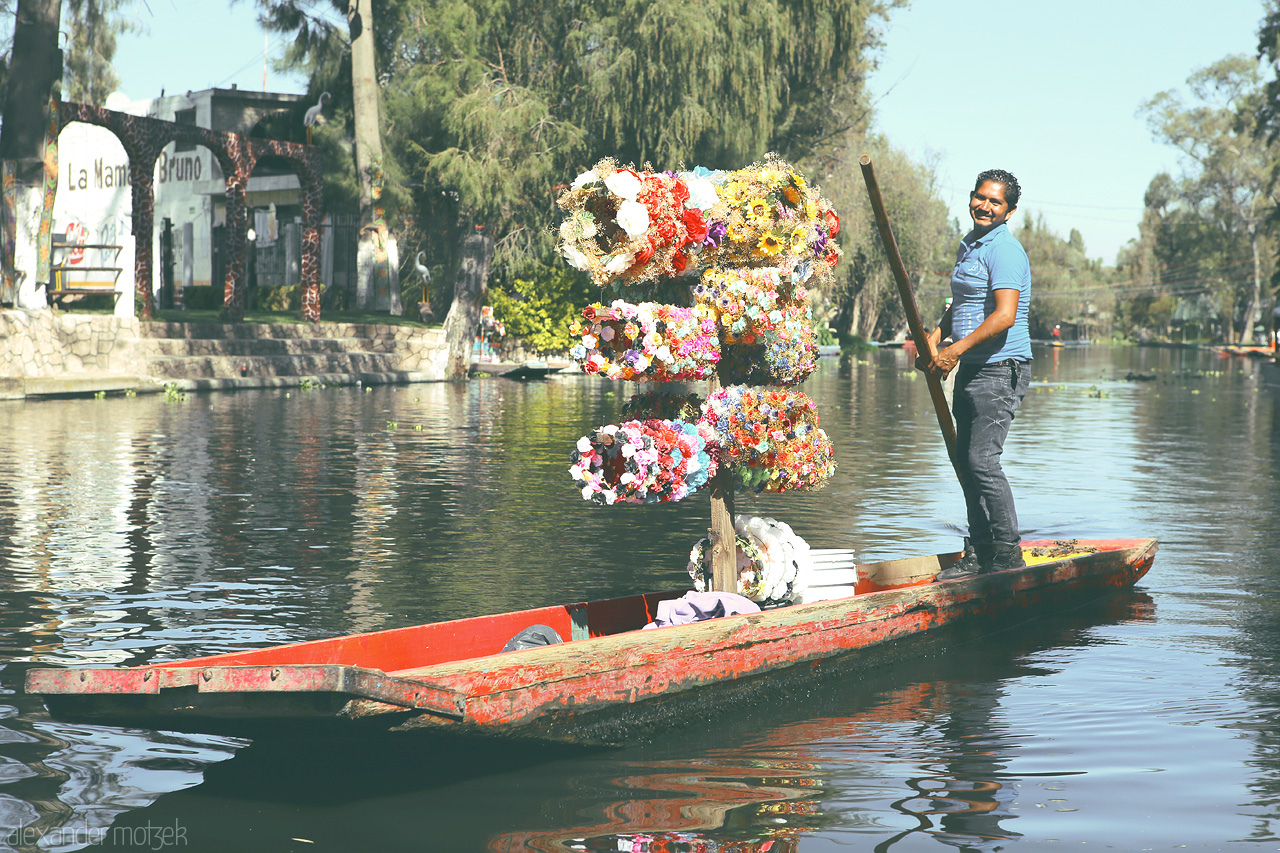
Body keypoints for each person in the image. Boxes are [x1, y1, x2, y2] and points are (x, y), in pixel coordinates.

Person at [919, 169, 1032, 581]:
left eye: (995, 202)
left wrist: (953, 353)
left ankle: (1007, 555)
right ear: (971, 197)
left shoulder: (1005, 250)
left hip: (1001, 369)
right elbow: (961, 306)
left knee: (982, 462)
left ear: (1010, 211)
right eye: (980, 197)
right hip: (971, 365)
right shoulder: (970, 246)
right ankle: (980, 550)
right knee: (965, 462)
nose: (984, 206)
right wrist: (935, 340)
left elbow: (1004, 316)